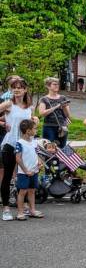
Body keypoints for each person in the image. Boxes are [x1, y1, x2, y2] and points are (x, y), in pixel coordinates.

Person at [0, 78, 38, 221]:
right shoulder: (9, 104)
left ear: (25, 90)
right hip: (10, 145)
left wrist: (35, 119)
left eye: (19, 87)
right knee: (8, 176)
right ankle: (6, 208)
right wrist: (2, 123)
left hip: (25, 146)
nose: (16, 90)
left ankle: (26, 207)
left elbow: (29, 122)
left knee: (25, 175)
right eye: (14, 87)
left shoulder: (30, 107)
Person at [13, 119, 43, 220]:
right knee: (22, 191)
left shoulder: (34, 142)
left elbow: (36, 154)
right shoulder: (20, 143)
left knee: (32, 191)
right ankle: (20, 212)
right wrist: (26, 171)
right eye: (34, 129)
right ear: (28, 131)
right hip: (24, 173)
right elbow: (18, 158)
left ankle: (32, 210)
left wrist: (39, 162)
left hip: (34, 171)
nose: (36, 130)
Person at [38, 77, 71, 148]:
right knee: (49, 148)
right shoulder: (44, 99)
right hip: (49, 126)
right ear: (48, 86)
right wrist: (56, 107)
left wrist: (64, 107)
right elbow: (42, 113)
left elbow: (67, 115)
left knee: (62, 148)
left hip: (62, 126)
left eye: (58, 84)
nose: (57, 86)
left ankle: (60, 159)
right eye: (54, 84)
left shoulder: (63, 98)